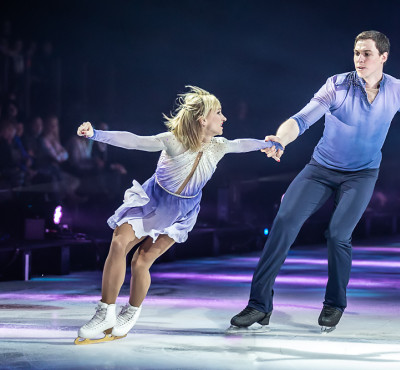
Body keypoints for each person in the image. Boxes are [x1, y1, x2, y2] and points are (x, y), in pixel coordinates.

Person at [231, 30, 400, 331]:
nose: (360, 59)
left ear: (383, 57)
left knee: (338, 234)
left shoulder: (399, 90)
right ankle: (259, 305)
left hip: (362, 175)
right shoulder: (337, 85)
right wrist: (281, 139)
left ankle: (334, 303)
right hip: (321, 169)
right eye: (356, 53)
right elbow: (302, 118)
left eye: (367, 54)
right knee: (284, 221)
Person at [75, 86, 282, 344]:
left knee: (141, 262)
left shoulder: (218, 147)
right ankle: (105, 311)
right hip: (152, 200)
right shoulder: (174, 140)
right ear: (203, 120)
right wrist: (96, 134)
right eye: (219, 112)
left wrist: (267, 143)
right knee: (118, 243)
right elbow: (136, 141)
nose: (224, 118)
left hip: (181, 212)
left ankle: (131, 311)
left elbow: (242, 144)